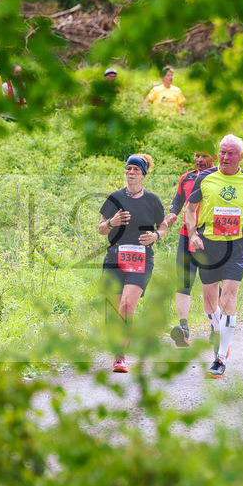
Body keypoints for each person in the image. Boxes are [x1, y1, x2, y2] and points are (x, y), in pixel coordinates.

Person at [184, 135, 243, 378]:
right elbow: (190, 208)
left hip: (235, 246)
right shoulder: (205, 177)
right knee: (209, 303)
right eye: (222, 152)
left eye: (230, 153)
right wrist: (192, 234)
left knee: (228, 297)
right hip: (208, 244)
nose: (225, 157)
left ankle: (220, 358)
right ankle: (219, 331)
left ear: (241, 156)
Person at [98, 154, 169, 373]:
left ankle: (120, 356)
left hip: (141, 259)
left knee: (127, 306)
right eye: (128, 168)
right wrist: (111, 222)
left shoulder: (152, 200)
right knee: (113, 312)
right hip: (115, 257)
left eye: (136, 169)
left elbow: (164, 225)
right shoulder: (115, 198)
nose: (131, 172)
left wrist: (156, 236)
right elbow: (101, 229)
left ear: (143, 174)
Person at [164, 150, 216, 348]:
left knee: (211, 283)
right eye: (196, 155)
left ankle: (216, 326)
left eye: (204, 156)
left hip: (212, 237)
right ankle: (183, 328)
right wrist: (172, 213)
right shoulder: (187, 177)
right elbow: (178, 200)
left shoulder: (221, 177)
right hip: (187, 235)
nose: (199, 160)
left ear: (215, 157)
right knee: (184, 281)